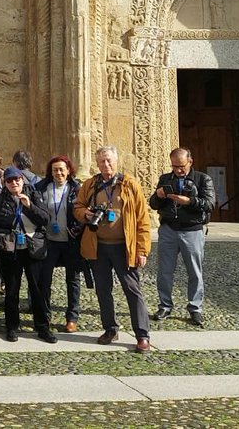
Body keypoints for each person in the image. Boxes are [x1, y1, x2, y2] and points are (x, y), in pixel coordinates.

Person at [74, 145, 152, 353]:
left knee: (132, 290)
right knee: (103, 290)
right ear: (97, 164)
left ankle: (142, 334)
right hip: (98, 246)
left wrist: (142, 250)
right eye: (102, 161)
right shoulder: (90, 185)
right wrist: (87, 215)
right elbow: (78, 207)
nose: (106, 165)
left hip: (123, 247)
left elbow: (142, 219)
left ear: (116, 161)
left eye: (109, 160)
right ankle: (110, 328)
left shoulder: (129, 184)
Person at [0, 166, 55, 344]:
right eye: (9, 180)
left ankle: (42, 327)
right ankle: (11, 327)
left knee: (38, 290)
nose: (14, 183)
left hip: (33, 247)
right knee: (12, 290)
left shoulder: (33, 195)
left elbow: (45, 219)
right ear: (5, 183)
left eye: (17, 179)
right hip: (11, 250)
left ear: (22, 180)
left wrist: (29, 206)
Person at [150, 147, 215, 327]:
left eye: (181, 166)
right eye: (174, 166)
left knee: (194, 270)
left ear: (190, 162)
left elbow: (209, 204)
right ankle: (165, 305)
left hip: (192, 230)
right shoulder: (165, 179)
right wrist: (158, 196)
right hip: (169, 229)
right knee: (164, 271)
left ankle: (195, 308)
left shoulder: (203, 179)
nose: (178, 170)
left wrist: (189, 202)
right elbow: (153, 204)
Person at [35, 155, 92, 334]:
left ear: (68, 171)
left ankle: (72, 318)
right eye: (55, 170)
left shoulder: (76, 189)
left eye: (61, 169)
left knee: (72, 280)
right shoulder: (42, 188)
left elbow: (83, 212)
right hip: (49, 241)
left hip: (70, 241)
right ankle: (45, 315)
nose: (58, 173)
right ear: (50, 172)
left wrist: (76, 229)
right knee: (45, 280)